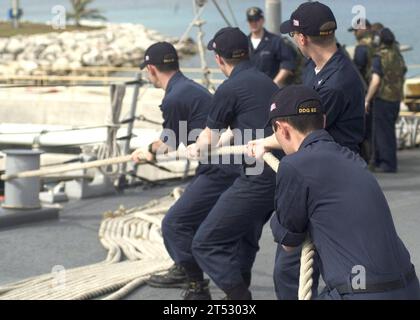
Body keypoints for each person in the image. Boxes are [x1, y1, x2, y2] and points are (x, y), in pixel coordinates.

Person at [249, 1, 366, 300]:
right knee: (299, 268)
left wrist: (263, 142)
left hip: (329, 178)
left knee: (295, 269)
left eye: (294, 36)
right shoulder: (319, 69)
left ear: (302, 39)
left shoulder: (337, 82)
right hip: (318, 169)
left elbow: (304, 131)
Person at [264, 84, 420, 300]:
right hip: (409, 287)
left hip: (361, 293)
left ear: (282, 129)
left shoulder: (293, 166)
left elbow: (288, 243)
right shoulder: (352, 158)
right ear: (324, 121)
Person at [131, 42, 239, 299]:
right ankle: (193, 277)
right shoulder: (187, 87)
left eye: (147, 71)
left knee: (174, 224)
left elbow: (168, 144)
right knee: (193, 223)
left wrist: (147, 150)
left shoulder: (174, 97)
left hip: (219, 168)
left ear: (152, 69)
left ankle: (194, 281)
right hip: (224, 164)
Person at [186, 27, 281, 300]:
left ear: (218, 59)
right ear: (247, 52)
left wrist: (195, 149)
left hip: (258, 177)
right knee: (243, 239)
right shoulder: (267, 82)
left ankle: (240, 298)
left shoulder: (229, 89)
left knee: (205, 242)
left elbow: (207, 140)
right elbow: (246, 123)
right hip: (281, 174)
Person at [365, 28, 407, 173]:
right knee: (388, 131)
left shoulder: (379, 57)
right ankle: (386, 161)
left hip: (383, 98)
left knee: (382, 133)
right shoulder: (397, 55)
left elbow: (376, 81)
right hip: (396, 98)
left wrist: (367, 98)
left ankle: (387, 164)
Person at [246, 7, 297, 87]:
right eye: (251, 20)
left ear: (262, 20)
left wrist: (273, 83)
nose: (253, 23)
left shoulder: (275, 41)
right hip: (248, 88)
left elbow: (288, 64)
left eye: (256, 20)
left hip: (269, 89)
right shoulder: (244, 42)